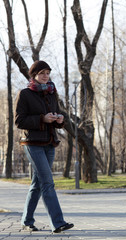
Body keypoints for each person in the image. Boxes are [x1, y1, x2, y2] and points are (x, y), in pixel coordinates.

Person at [15, 60, 74, 233]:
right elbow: (19, 121)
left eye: (47, 73)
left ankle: (26, 220)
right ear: (34, 76)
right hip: (32, 143)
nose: (46, 76)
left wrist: (59, 120)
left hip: (49, 143)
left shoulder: (52, 93)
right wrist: (42, 118)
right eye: (42, 73)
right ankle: (58, 222)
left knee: (38, 184)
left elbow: (55, 117)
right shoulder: (25, 94)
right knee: (48, 182)